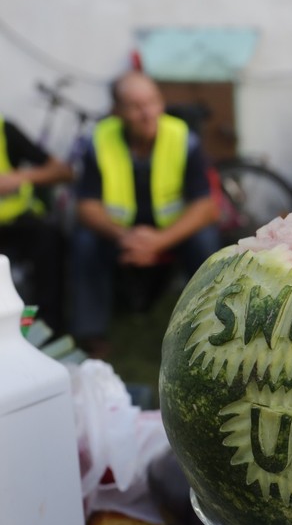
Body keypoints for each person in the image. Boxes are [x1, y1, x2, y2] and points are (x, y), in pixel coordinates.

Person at [71, 72, 220, 357]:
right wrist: (127, 236)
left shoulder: (182, 137)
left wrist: (158, 241)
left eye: (153, 102)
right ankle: (91, 333)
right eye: (135, 106)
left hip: (169, 232)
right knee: (85, 241)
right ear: (116, 111)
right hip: (120, 233)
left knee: (205, 239)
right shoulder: (99, 140)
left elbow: (206, 207)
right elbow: (86, 207)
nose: (147, 113)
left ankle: (212, 324)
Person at [0, 115, 72, 333]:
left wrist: (18, 177)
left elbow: (62, 171)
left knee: (49, 239)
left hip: (16, 224)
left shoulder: (5, 130)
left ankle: (43, 329)